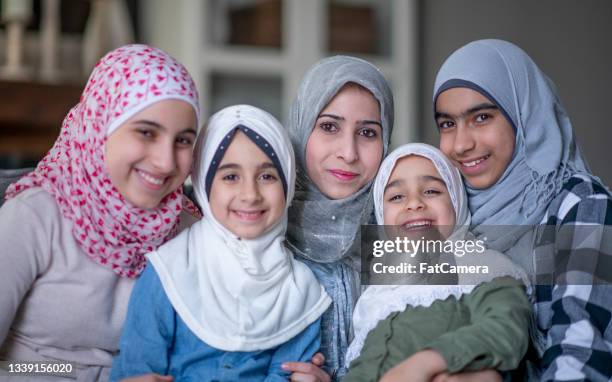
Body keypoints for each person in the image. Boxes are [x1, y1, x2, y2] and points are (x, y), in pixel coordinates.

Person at [0, 44, 200, 381]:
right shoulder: (34, 217)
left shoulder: (190, 230)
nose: (166, 162)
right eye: (146, 132)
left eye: (183, 141)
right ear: (100, 124)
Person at [433, 39, 612, 381]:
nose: (460, 144)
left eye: (481, 117)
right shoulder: (450, 216)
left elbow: (580, 351)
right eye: (447, 124)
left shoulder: (581, 205)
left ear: (523, 115)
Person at [110, 105, 331, 381]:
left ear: (287, 182)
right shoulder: (171, 270)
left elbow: (284, 375)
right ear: (203, 182)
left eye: (267, 176)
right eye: (230, 176)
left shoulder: (300, 290)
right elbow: (138, 370)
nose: (250, 194)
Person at [342, 143, 531, 381]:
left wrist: (427, 362)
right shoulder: (374, 294)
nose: (414, 204)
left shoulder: (485, 267)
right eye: (397, 196)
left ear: (456, 199)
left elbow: (506, 329)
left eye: (431, 191)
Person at [281, 55, 394, 381]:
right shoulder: (257, 229)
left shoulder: (402, 236)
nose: (349, 152)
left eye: (368, 133)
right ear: (302, 128)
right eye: (329, 127)